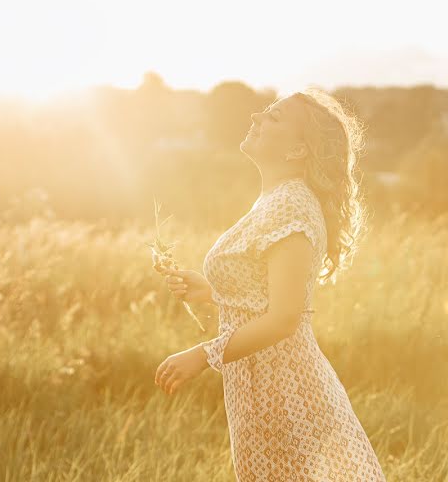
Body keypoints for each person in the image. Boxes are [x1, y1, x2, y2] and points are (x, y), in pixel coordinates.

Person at [154, 88, 387, 480]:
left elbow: (283, 318)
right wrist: (212, 292)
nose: (256, 117)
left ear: (298, 151)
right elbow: (264, 294)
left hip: (288, 392)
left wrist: (202, 355)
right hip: (260, 389)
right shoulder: (275, 200)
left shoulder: (291, 205)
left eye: (274, 117)